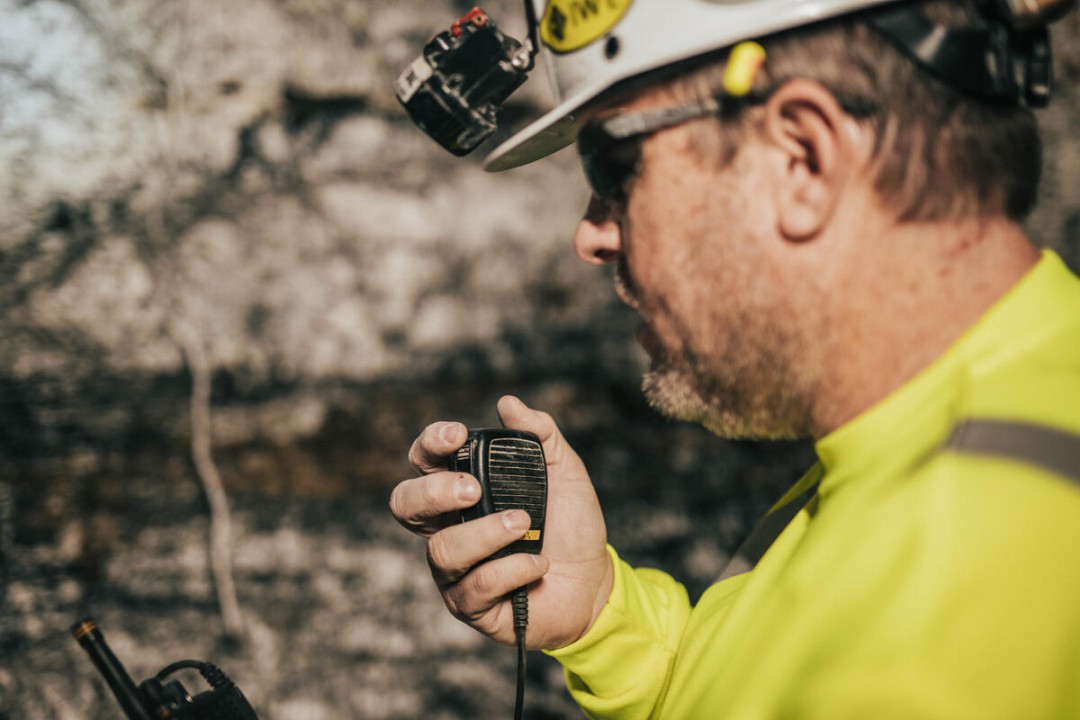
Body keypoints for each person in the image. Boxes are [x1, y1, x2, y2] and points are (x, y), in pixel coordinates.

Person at [390, 0, 1080, 716]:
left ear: (802, 159)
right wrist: (601, 620)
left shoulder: (934, 628)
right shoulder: (955, 433)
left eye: (613, 165)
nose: (590, 236)